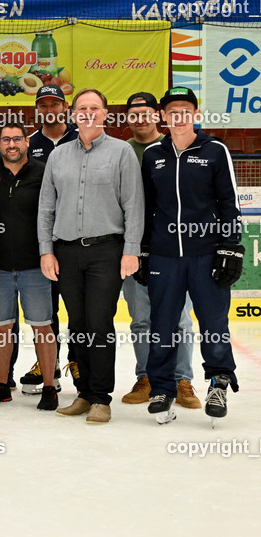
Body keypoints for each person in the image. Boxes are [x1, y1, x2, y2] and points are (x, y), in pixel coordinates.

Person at [38, 88, 143, 425]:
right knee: (78, 325)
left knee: (99, 324)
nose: (88, 113)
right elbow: (46, 209)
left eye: (94, 108)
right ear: (73, 114)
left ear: (105, 114)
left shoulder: (122, 152)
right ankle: (83, 393)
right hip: (66, 252)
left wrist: (131, 250)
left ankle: (101, 397)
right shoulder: (58, 156)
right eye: (82, 108)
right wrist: (46, 251)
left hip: (106, 251)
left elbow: (133, 205)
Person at [141, 87, 242, 424]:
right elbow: (147, 207)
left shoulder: (214, 151)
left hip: (207, 254)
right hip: (164, 257)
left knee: (214, 324)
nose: (179, 117)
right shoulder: (153, 154)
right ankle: (162, 387)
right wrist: (143, 250)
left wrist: (231, 247)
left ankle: (218, 382)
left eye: (185, 110)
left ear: (195, 115)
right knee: (163, 325)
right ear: (163, 117)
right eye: (172, 111)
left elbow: (229, 203)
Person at [120, 92, 199, 408]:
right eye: (133, 113)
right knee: (141, 319)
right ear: (127, 118)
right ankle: (147, 377)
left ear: (157, 116)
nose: (140, 119)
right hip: (132, 249)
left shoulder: (177, 148)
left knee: (179, 319)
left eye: (145, 113)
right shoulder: (119, 152)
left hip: (174, 250)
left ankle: (182, 381)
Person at [0, 123, 58, 411]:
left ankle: (49, 387)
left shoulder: (43, 172)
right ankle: (1, 385)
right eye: (6, 139)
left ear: (26, 142)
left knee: (42, 328)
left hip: (35, 266)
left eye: (17, 139)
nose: (12, 144)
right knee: (2, 328)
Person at [19, 84, 78, 393]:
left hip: (75, 237)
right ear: (38, 109)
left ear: (65, 107)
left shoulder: (81, 139)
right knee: (47, 308)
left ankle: (78, 360)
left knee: (78, 306)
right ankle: (48, 364)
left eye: (56, 103)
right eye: (44, 104)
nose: (50, 108)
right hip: (42, 241)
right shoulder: (29, 144)